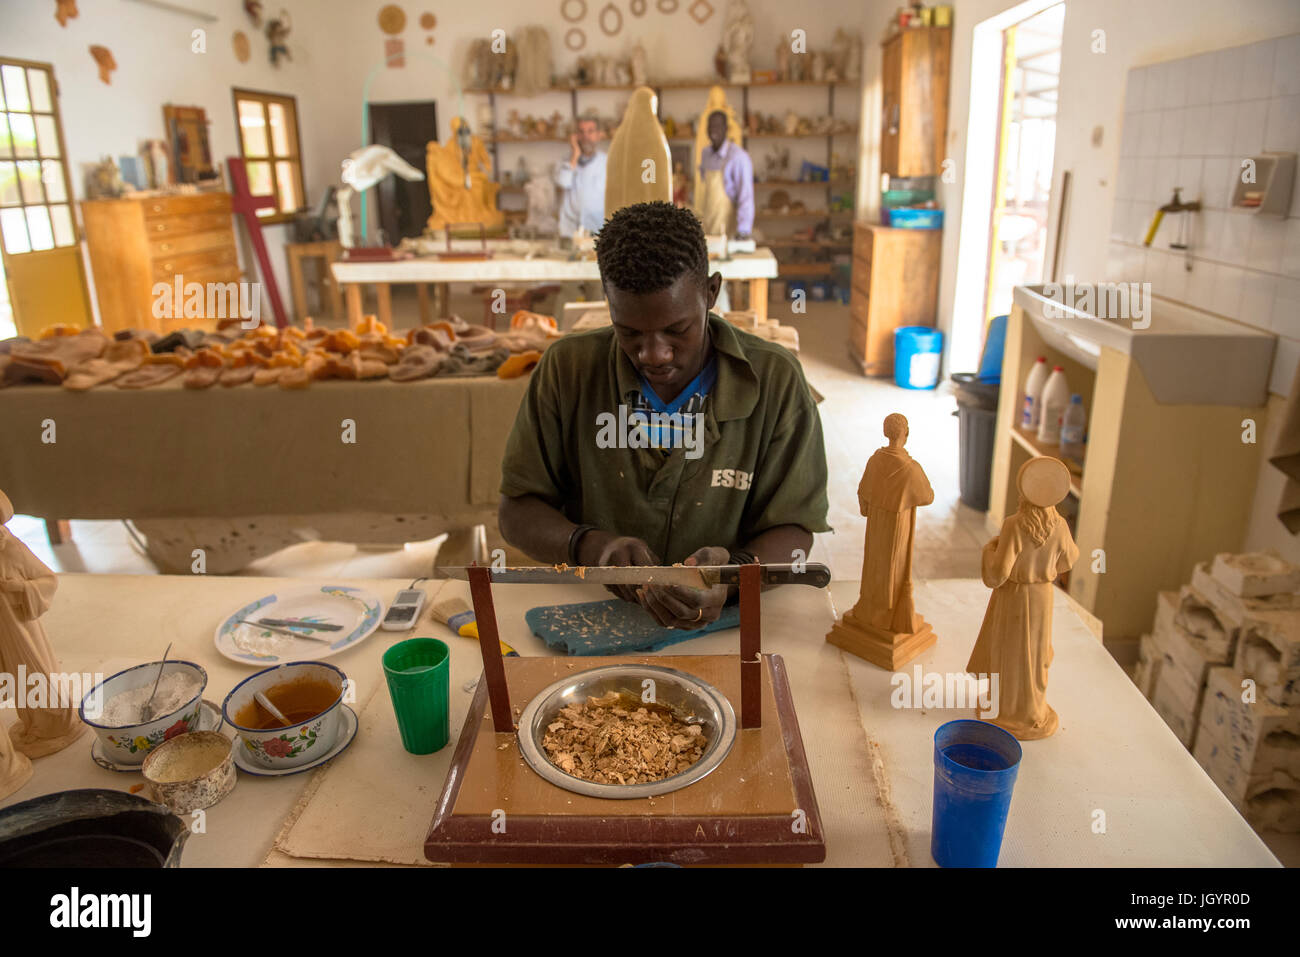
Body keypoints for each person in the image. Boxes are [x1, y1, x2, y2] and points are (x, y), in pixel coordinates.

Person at [498, 202, 829, 629]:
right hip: (593, 613)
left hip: (727, 623)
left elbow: (796, 527)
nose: (654, 354)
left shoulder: (775, 380)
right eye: (630, 332)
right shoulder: (568, 370)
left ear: (711, 293)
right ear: (607, 301)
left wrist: (732, 577)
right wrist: (591, 547)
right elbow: (517, 509)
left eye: (677, 330)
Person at [966, 457, 1079, 739]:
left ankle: (1005, 709)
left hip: (1014, 597)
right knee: (1035, 654)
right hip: (1042, 597)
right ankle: (1031, 711)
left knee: (1010, 652)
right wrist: (1047, 565)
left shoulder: (1015, 525)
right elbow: (1069, 561)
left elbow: (998, 574)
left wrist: (989, 551)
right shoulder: (1060, 526)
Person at [846, 414, 933, 635]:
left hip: (877, 522)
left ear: (886, 432)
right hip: (897, 525)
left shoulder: (876, 460)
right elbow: (927, 496)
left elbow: (864, 491)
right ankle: (886, 616)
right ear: (906, 433)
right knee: (892, 568)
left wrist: (868, 505)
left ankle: (870, 610)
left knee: (875, 564)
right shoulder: (910, 468)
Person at [697, 110, 755, 238]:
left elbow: (745, 197)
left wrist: (743, 231)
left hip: (729, 234)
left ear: (726, 129)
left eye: (717, 125)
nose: (713, 130)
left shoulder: (738, 157)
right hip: (707, 232)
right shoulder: (705, 154)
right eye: (710, 125)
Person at [554, 116, 608, 237]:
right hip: (569, 230)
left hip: (598, 229)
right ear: (575, 136)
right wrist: (575, 156)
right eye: (581, 132)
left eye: (590, 131)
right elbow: (562, 183)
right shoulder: (565, 161)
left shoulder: (608, 162)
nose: (585, 136)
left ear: (599, 135)